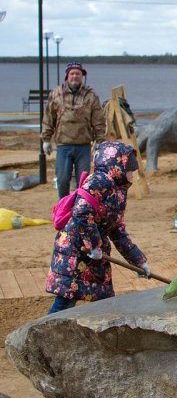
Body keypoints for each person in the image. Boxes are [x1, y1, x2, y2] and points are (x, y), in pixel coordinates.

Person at [46, 141, 150, 314]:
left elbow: (117, 230)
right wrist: (93, 244)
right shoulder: (98, 182)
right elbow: (81, 212)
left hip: (94, 254)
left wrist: (139, 261)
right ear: (117, 167)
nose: (132, 175)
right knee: (66, 300)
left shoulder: (119, 191)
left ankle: (107, 333)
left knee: (105, 301)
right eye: (130, 170)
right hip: (75, 251)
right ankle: (41, 335)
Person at [41, 61, 107, 199]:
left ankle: (80, 209)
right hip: (63, 145)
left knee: (84, 182)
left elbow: (98, 119)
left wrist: (100, 141)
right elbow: (48, 117)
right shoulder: (56, 94)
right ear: (67, 76)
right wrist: (46, 139)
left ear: (82, 76)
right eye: (72, 73)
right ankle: (63, 207)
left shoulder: (91, 95)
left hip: (83, 146)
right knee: (63, 179)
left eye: (78, 73)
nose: (75, 76)